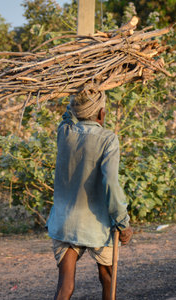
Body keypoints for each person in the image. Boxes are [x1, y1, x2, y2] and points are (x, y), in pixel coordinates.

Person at [46, 88, 133, 300]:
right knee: (108, 278)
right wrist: (123, 222)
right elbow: (110, 183)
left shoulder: (64, 132)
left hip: (65, 222)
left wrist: (78, 89)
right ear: (102, 113)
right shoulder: (108, 139)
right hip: (98, 226)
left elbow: (68, 113)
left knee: (65, 287)